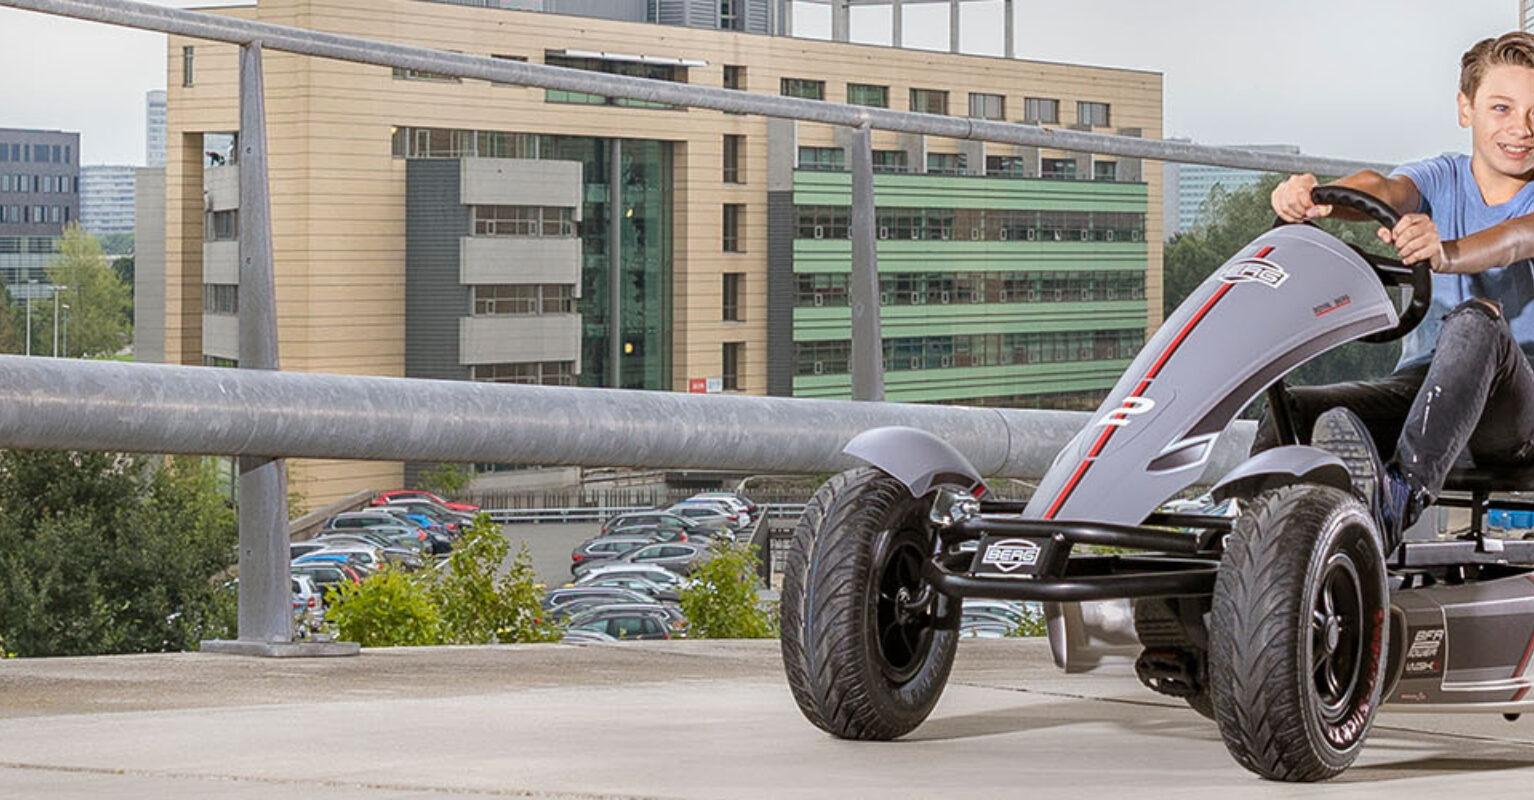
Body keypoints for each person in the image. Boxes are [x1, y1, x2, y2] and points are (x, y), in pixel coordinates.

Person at [1256, 31, 1534, 552]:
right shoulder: (1440, 177)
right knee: (1290, 412)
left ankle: (1391, 504)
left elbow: (1515, 240)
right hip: (1423, 396)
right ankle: (1245, 553)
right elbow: (1383, 190)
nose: (1521, 129)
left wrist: (1446, 251)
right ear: (1465, 109)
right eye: (1502, 108)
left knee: (1478, 318)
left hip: (1516, 417)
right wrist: (1316, 198)